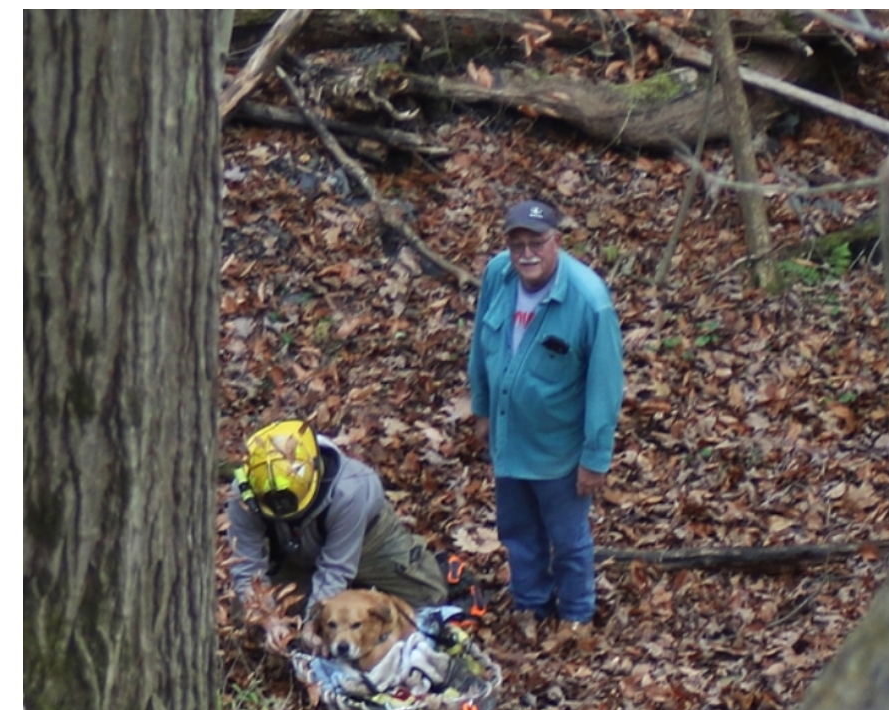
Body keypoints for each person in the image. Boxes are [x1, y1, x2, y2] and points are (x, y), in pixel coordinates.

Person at [467, 198, 626, 642]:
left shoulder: (589, 300)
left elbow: (606, 384)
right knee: (517, 530)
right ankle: (530, 604)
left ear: (556, 240)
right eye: (517, 244)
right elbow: (481, 340)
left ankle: (576, 615)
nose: (526, 254)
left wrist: (595, 457)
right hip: (509, 437)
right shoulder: (499, 274)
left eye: (536, 242)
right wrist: (481, 408)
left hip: (559, 446)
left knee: (568, 539)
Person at [227, 418, 448, 615]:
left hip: (368, 541)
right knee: (244, 616)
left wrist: (313, 625)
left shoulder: (351, 489)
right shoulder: (244, 494)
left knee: (430, 601)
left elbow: (336, 569)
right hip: (291, 547)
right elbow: (247, 565)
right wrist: (267, 618)